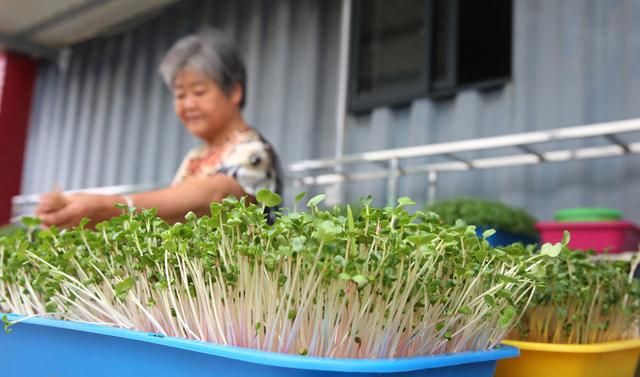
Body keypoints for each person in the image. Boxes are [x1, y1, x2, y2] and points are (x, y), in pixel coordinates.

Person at [36, 29, 281, 228]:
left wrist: (105, 207)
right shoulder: (194, 157)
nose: (188, 104)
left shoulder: (254, 153)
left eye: (199, 92)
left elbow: (213, 196)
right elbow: (169, 217)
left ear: (235, 92)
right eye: (179, 94)